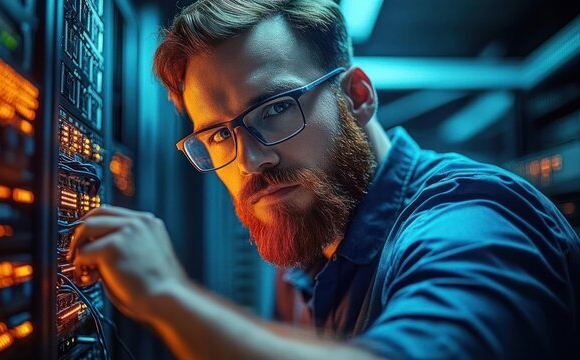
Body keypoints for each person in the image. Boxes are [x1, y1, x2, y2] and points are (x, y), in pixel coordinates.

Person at [67, 0, 580, 358]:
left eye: (273, 108)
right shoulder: (314, 242)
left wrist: (165, 293)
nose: (250, 161)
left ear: (357, 97)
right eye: (219, 136)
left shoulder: (469, 219)